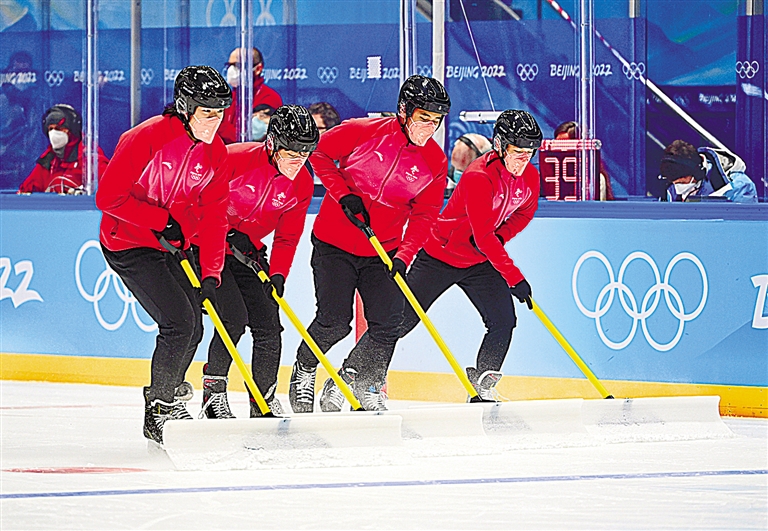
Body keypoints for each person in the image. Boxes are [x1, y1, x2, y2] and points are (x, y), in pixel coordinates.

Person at [288, 74, 451, 413]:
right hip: (334, 243)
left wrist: (405, 254)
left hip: (383, 250)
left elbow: (425, 214)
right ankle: (304, 368)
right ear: (404, 111)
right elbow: (318, 153)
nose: (429, 127)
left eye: (436, 120)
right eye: (423, 117)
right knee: (334, 321)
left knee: (389, 323)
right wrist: (343, 194)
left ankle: (363, 381)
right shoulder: (363, 131)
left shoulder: (435, 162)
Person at [95, 65, 232, 445]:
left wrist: (212, 272)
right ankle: (158, 406)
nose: (215, 120)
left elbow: (216, 216)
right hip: (128, 242)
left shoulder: (217, 153)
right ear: (185, 107)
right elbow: (108, 197)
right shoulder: (146, 137)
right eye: (207, 112)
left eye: (220, 112)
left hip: (171, 245)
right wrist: (159, 220)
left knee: (194, 326)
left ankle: (169, 394)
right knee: (178, 323)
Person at [394, 110, 542, 401]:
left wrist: (502, 236)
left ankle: (483, 384)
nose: (523, 160)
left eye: (529, 153)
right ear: (500, 146)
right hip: (440, 255)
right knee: (400, 321)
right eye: (518, 152)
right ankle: (355, 372)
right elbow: (483, 237)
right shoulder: (479, 176)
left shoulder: (530, 177)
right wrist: (514, 278)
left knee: (503, 320)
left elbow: (524, 214)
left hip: (479, 261)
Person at [199, 105, 319, 419]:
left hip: (248, 254)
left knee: (269, 324)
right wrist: (223, 231)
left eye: (305, 154)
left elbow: (287, 236)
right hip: (208, 248)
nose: (298, 161)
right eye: (291, 153)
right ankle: (213, 395)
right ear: (272, 144)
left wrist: (278, 274)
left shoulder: (302, 183)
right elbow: (195, 200)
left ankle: (263, 398)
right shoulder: (234, 159)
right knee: (233, 319)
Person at [17, 104, 109, 194]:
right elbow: (26, 191)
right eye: (50, 129)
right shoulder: (48, 160)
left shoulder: (90, 158)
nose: (53, 133)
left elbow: (109, 188)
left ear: (72, 130)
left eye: (59, 128)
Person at [659, 139, 757, 203]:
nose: (678, 188)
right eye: (675, 183)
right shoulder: (671, 189)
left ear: (698, 173)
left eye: (682, 182)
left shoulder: (739, 186)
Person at [218, 47, 283, 144]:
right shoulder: (230, 96)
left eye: (238, 65)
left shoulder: (269, 98)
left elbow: (252, 136)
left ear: (258, 69)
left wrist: (217, 126)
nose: (231, 70)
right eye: (230, 65)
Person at [553, 121, 614, 200]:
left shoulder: (596, 181)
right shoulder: (547, 179)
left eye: (566, 146)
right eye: (557, 146)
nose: (560, 151)